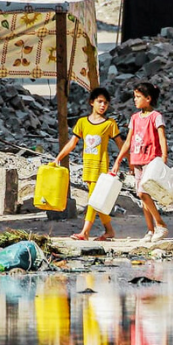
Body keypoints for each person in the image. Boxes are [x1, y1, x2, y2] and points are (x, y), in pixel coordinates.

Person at [54, 86, 124, 241]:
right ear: (92, 102)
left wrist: (125, 161)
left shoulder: (110, 124)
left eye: (105, 103)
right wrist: (58, 157)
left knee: (93, 199)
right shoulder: (82, 123)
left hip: (101, 167)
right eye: (99, 101)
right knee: (97, 200)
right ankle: (109, 231)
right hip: (88, 167)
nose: (102, 105)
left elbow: (120, 144)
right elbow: (72, 143)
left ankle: (84, 232)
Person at [111, 82, 169, 243]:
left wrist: (164, 156)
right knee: (143, 198)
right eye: (134, 97)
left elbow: (162, 137)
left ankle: (161, 224)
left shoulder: (156, 117)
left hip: (151, 161)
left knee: (143, 193)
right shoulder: (135, 118)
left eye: (138, 97)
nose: (134, 100)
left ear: (148, 98)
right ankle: (150, 230)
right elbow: (128, 141)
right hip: (137, 161)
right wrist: (119, 161)